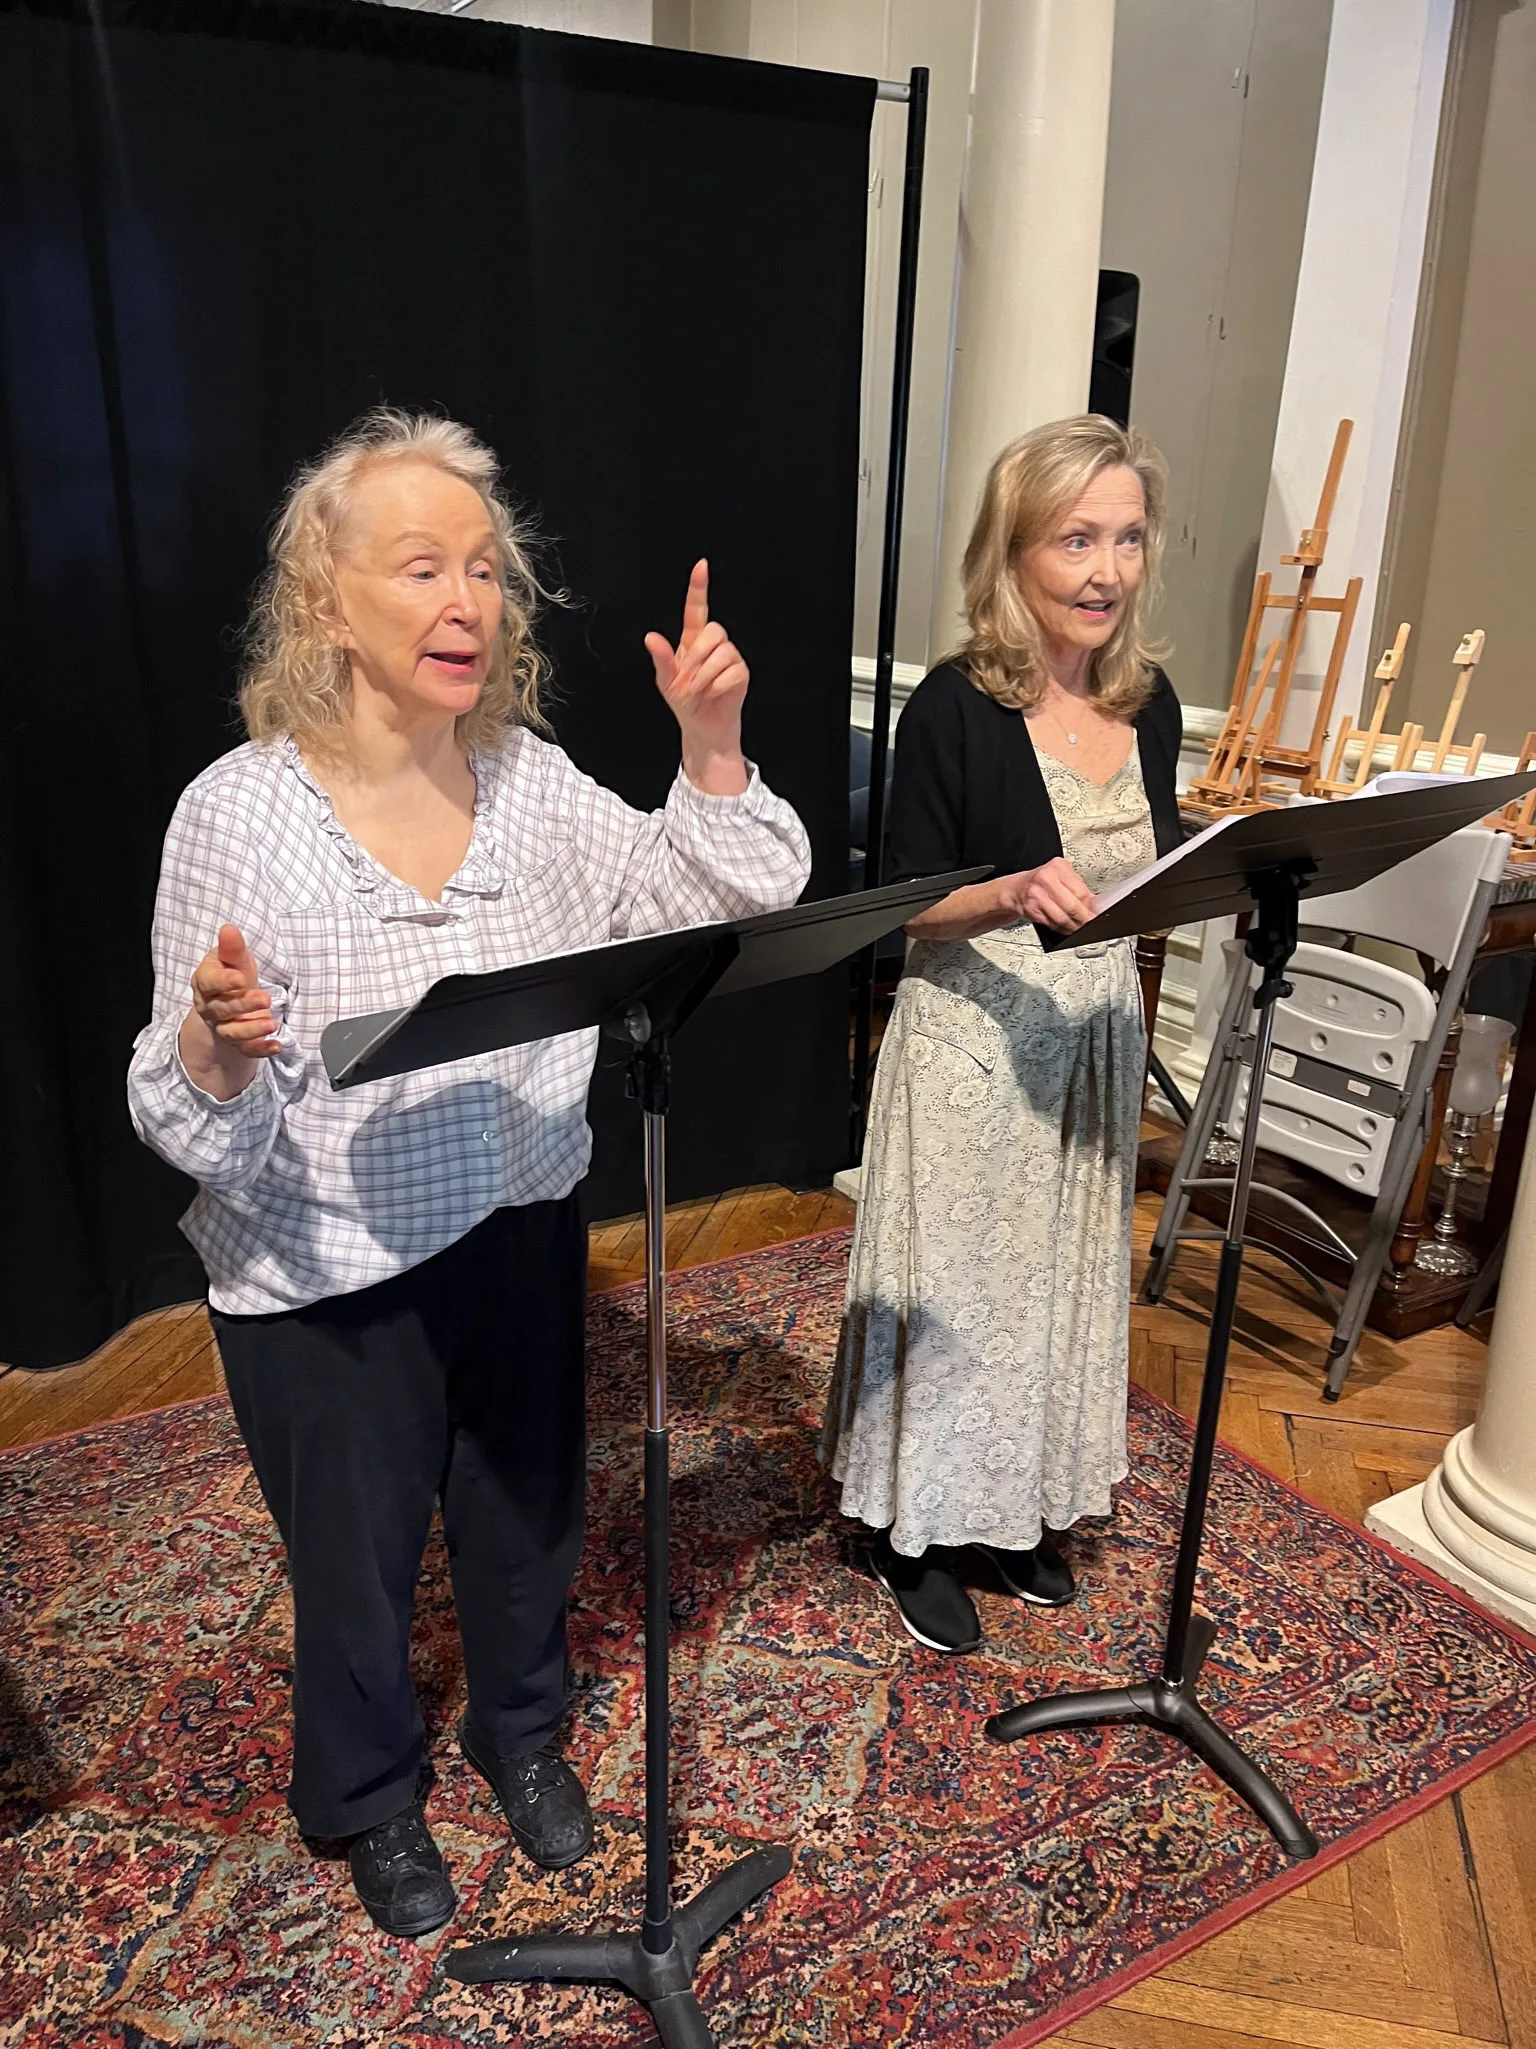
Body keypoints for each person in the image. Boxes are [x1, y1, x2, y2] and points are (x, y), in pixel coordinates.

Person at [126, 410, 810, 1937]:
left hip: (514, 1223)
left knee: (527, 1514)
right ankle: (369, 1794)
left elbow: (702, 894)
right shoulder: (237, 815)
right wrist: (217, 1045)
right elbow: (189, 1109)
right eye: (422, 567)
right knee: (355, 1563)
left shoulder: (531, 781)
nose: (467, 602)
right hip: (326, 1270)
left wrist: (710, 747)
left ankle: (522, 1730)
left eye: (487, 571)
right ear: (326, 603)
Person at [823, 415, 1183, 1655]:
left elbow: (1147, 870)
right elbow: (903, 909)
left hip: (1092, 1047)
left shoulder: (1151, 704)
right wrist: (1011, 891)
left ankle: (1017, 1506)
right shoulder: (956, 705)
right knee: (963, 1293)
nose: (1106, 570)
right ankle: (918, 1529)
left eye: (1127, 539)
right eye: (1076, 540)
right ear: (1014, 550)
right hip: (976, 1044)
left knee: (1052, 1286)